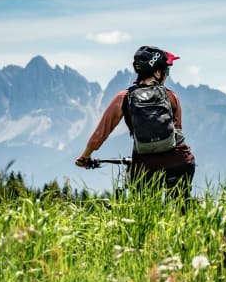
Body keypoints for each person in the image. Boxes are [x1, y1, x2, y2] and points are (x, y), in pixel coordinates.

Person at [75, 46, 196, 191]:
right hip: (180, 163)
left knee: (145, 211)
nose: (167, 75)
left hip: (145, 168)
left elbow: (100, 134)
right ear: (158, 73)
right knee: (182, 210)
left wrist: (85, 157)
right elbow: (178, 131)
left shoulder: (124, 97)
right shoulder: (171, 96)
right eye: (166, 71)